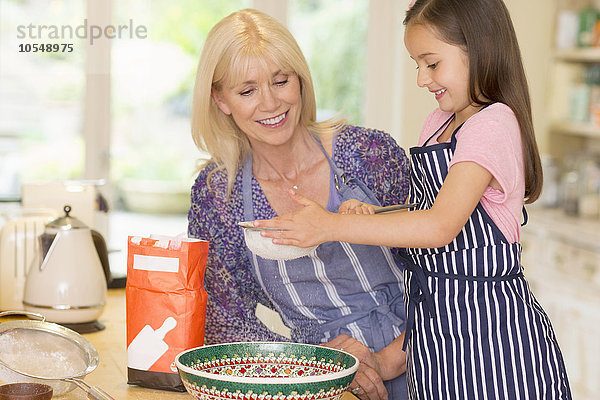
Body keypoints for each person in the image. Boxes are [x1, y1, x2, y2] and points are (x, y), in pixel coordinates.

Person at [256, 0, 572, 398]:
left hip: (492, 340)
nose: (422, 79)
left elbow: (440, 227)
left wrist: (330, 224)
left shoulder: (493, 124)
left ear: (480, 48)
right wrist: (375, 214)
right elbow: (432, 209)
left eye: (432, 63)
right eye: (416, 64)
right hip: (437, 336)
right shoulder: (439, 122)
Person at [187, 9, 411, 399]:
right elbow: (224, 318)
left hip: (432, 357)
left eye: (281, 81)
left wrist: (393, 357)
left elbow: (449, 269)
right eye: (247, 91)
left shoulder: (368, 154)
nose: (270, 103)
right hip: (316, 382)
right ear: (220, 99)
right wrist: (314, 362)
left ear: (301, 80)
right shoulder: (218, 195)